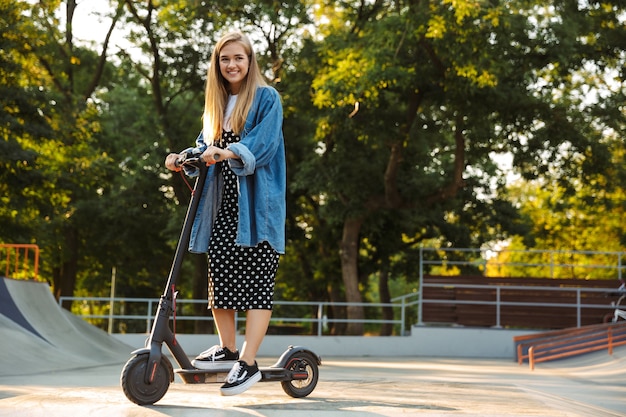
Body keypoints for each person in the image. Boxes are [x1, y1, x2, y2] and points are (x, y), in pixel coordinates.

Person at [164, 31, 286, 396]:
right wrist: (182, 157)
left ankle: (247, 364)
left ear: (250, 62)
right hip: (221, 203)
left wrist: (230, 152)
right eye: (224, 59)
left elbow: (262, 144)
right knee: (221, 277)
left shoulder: (266, 98)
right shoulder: (216, 106)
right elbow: (205, 148)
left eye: (238, 58)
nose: (231, 65)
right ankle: (228, 349)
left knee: (257, 284)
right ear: (217, 65)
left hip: (257, 203)